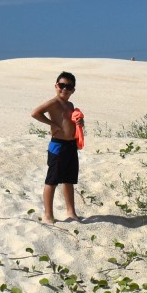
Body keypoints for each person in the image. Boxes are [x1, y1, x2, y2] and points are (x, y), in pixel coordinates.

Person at [31, 71, 82, 223]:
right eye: (62, 85)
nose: (64, 89)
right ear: (56, 86)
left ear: (73, 90)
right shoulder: (54, 102)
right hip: (58, 145)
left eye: (68, 86)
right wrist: (51, 124)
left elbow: (70, 121)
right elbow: (35, 113)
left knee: (69, 180)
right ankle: (48, 215)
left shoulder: (70, 104)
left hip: (71, 145)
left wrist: (80, 124)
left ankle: (71, 211)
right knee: (52, 180)